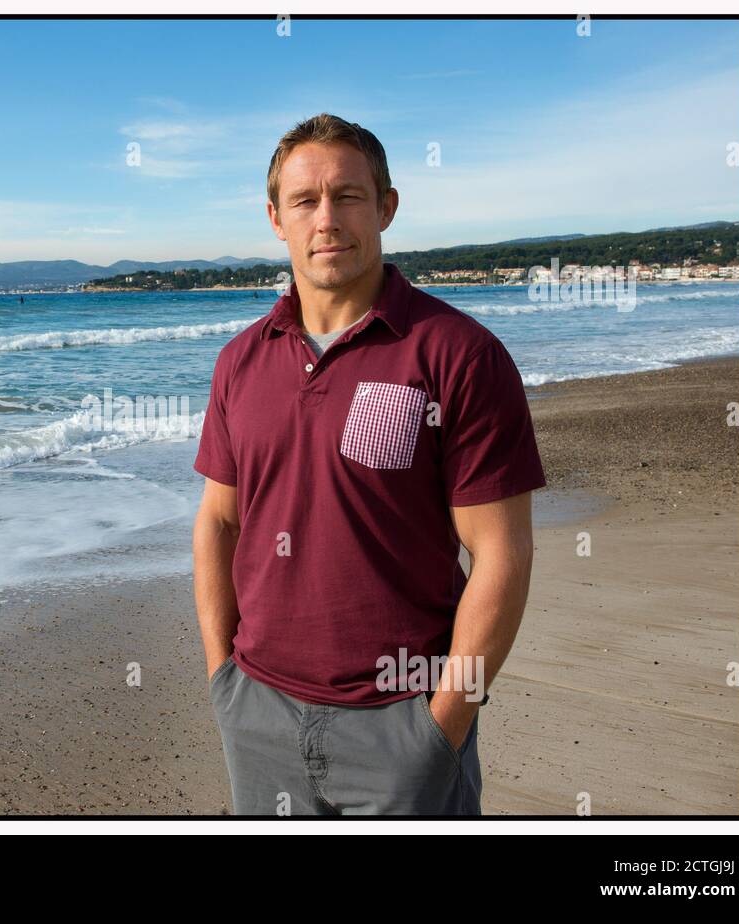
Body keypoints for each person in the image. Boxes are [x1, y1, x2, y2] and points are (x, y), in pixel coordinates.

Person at [193, 113, 546, 815]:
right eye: (305, 200)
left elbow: (501, 555)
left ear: (385, 207)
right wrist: (222, 678)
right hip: (258, 714)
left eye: (348, 196)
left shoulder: (457, 354)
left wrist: (441, 728)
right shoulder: (240, 360)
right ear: (276, 218)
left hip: (403, 720)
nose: (327, 218)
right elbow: (218, 523)